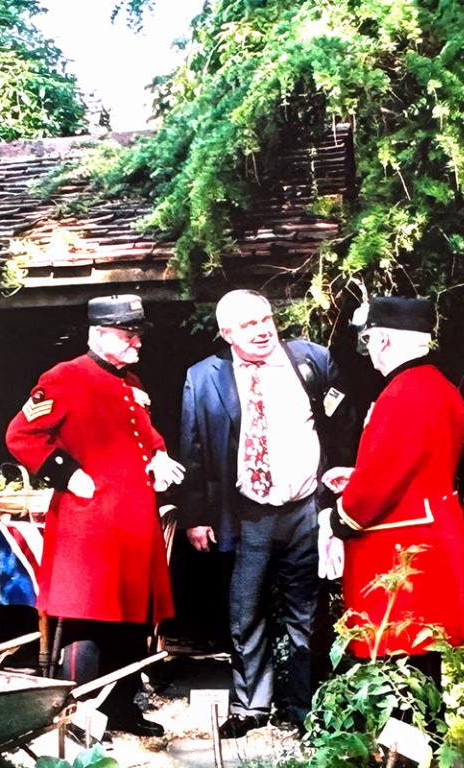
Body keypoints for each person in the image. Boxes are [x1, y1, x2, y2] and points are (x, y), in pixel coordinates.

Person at [6, 294, 185, 738]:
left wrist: (159, 457)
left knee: (130, 621)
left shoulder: (130, 382)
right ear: (99, 334)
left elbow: (146, 437)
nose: (137, 341)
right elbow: (21, 434)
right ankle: (79, 719)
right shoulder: (64, 377)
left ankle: (122, 709)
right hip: (91, 525)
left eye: (137, 333)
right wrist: (64, 474)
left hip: (132, 523)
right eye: (128, 334)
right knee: (87, 621)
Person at [175, 289, 352, 737]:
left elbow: (343, 428)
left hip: (305, 508)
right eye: (249, 324)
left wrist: (340, 495)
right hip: (244, 512)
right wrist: (196, 515)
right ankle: (251, 706)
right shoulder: (204, 376)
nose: (262, 330)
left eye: (266, 319)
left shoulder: (311, 360)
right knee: (245, 611)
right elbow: (193, 452)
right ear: (227, 333)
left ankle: (302, 708)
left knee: (305, 612)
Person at [321, 296, 464, 688]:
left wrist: (339, 519)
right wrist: (357, 473)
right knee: (423, 661)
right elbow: (416, 467)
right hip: (430, 533)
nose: (368, 352)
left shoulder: (404, 392)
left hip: (399, 544)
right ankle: (422, 746)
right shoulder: (439, 387)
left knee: (400, 662)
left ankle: (406, 749)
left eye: (368, 340)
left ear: (384, 341)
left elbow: (382, 482)